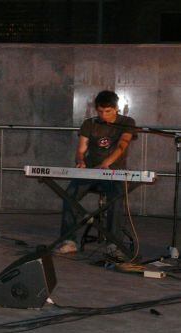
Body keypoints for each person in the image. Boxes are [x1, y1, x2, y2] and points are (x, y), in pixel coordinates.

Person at [55, 90, 136, 258]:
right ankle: (69, 241)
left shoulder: (127, 122)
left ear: (116, 109)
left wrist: (105, 164)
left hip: (114, 172)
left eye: (108, 111)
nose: (103, 115)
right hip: (91, 171)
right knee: (69, 196)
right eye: (100, 111)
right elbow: (81, 149)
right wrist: (81, 160)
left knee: (116, 199)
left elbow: (122, 145)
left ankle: (114, 244)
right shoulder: (89, 124)